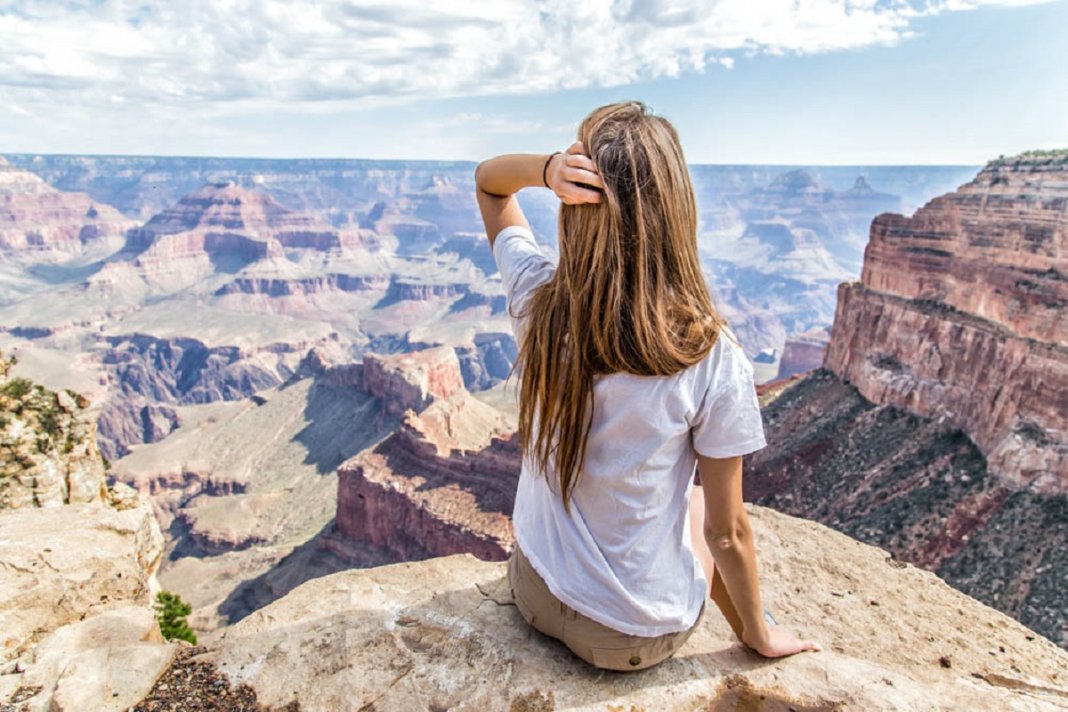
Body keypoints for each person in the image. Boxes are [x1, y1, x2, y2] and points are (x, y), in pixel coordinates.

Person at [474, 100, 821, 672]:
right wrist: (759, 633)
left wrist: (546, 169)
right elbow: (727, 535)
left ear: (573, 203)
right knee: (703, 492)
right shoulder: (709, 357)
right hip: (629, 639)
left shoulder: (535, 297)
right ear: (675, 211)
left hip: (533, 593)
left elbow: (490, 184)